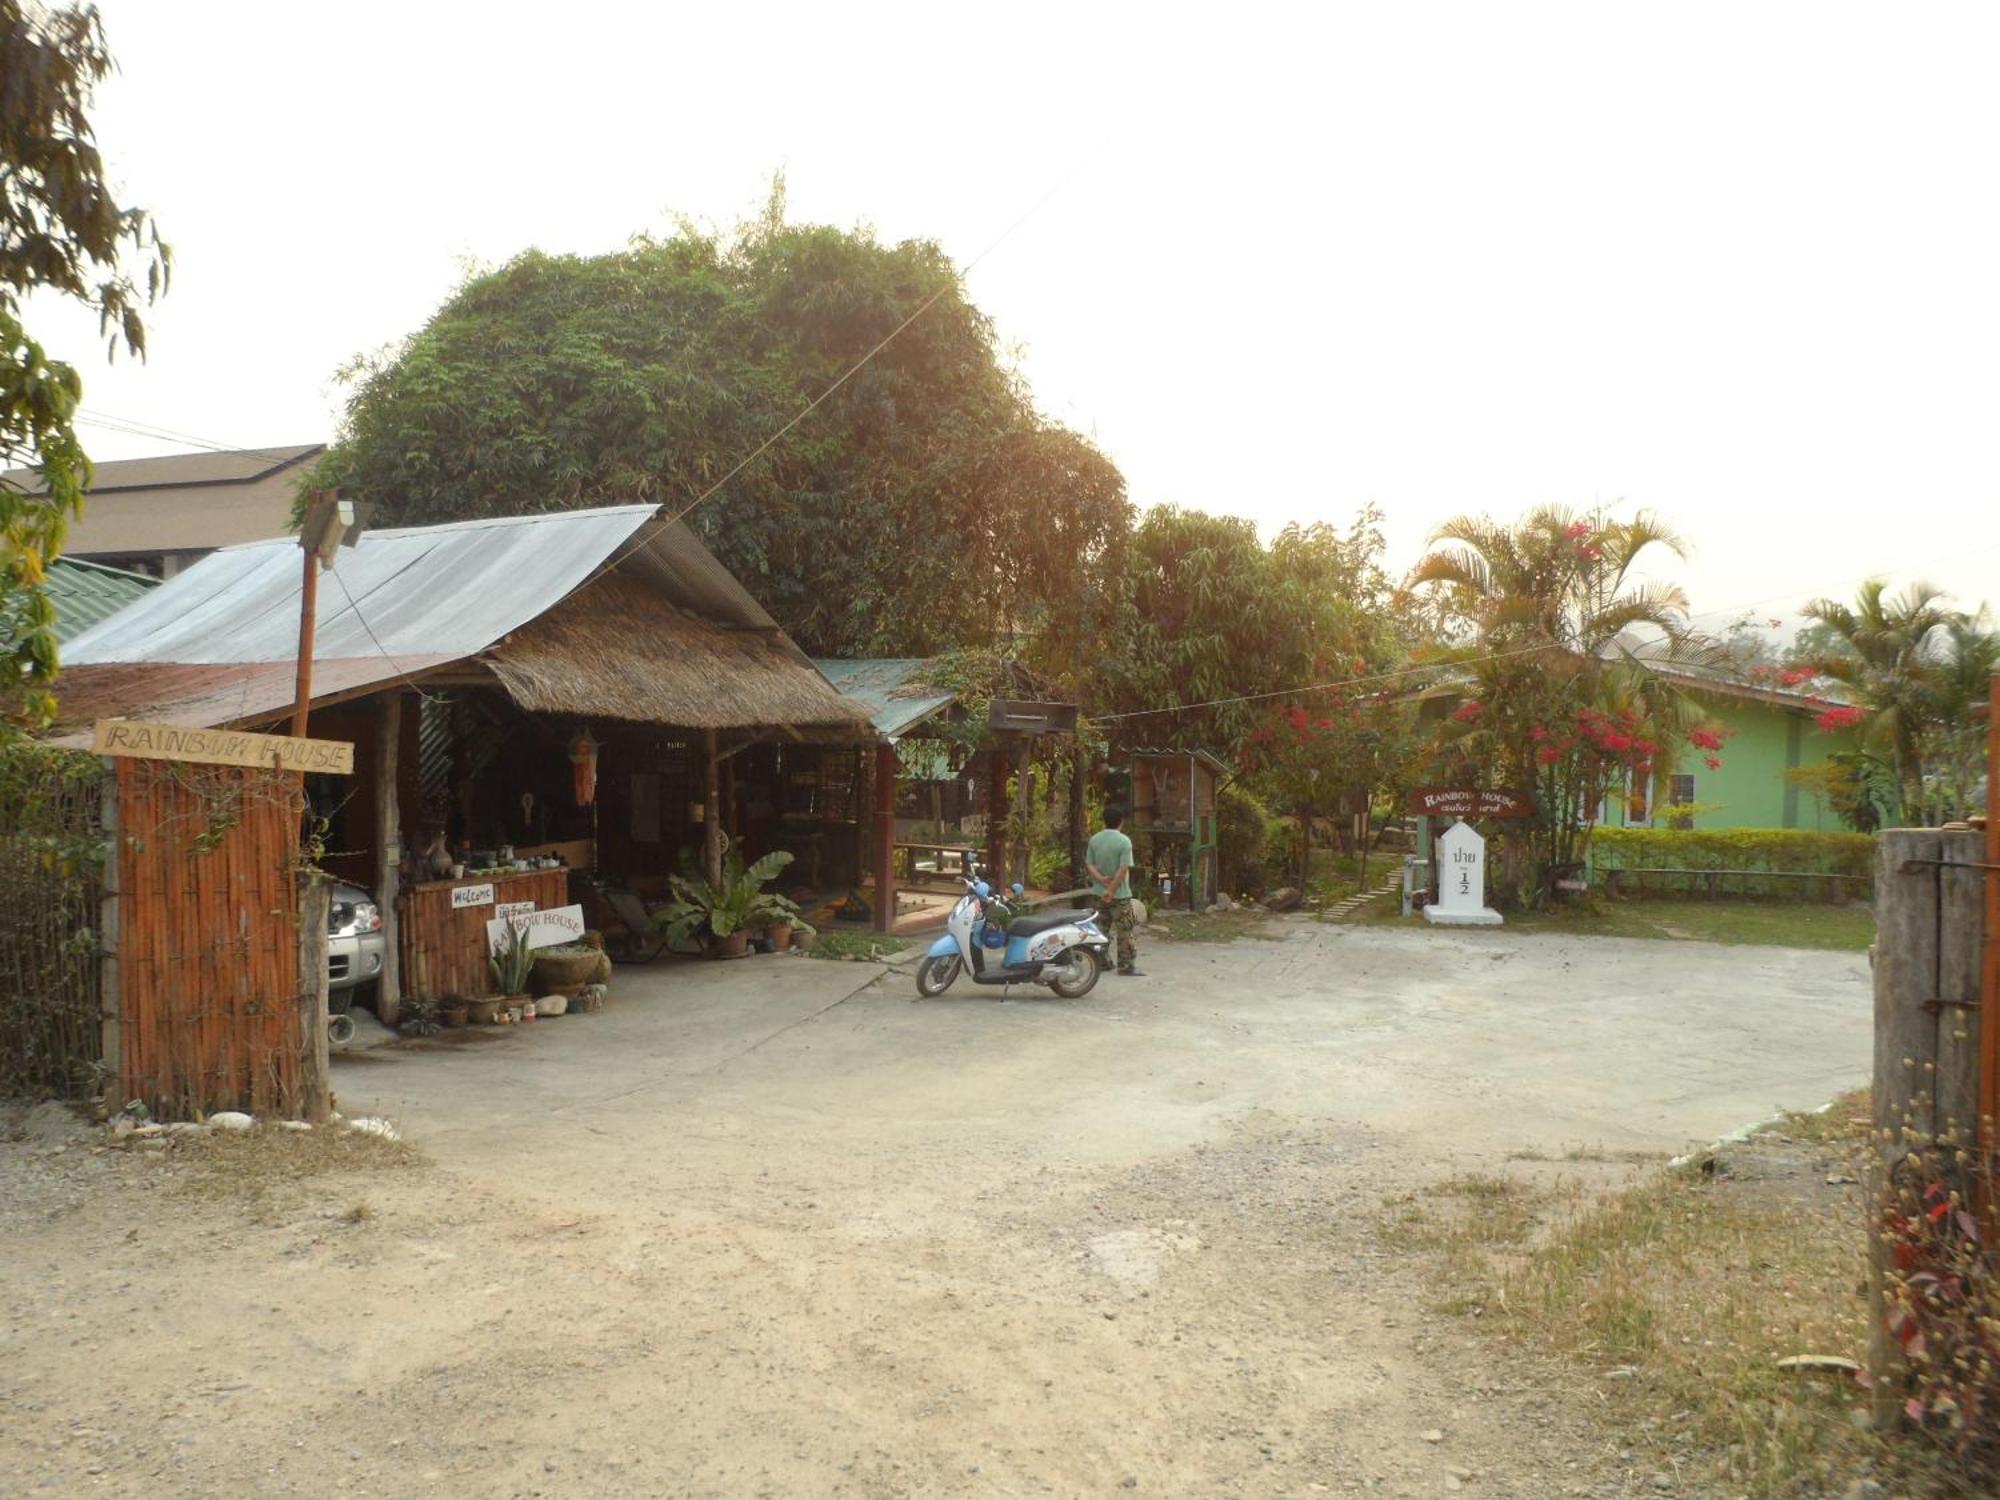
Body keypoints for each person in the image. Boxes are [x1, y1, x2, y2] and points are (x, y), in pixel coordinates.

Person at [1085, 804, 1141, 976]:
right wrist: (1111, 889)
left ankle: (1101, 961)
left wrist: (1101, 880)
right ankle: (1126, 966)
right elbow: (1123, 869)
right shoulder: (1124, 841)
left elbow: (1089, 864)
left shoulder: (1094, 839)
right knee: (1125, 930)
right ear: (1121, 821)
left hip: (1098, 893)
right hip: (1120, 895)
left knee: (1100, 929)